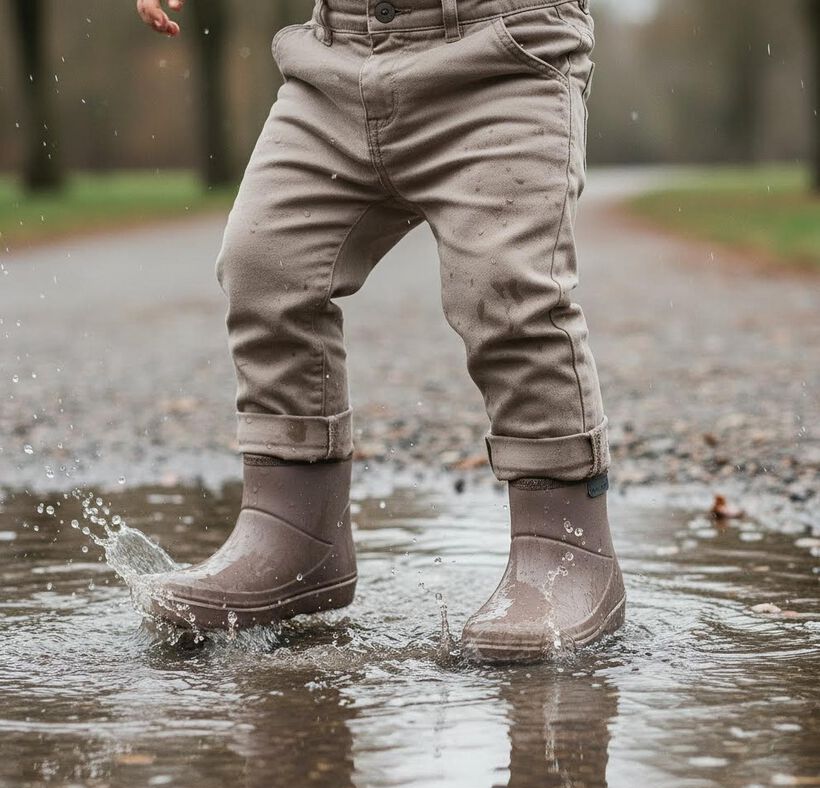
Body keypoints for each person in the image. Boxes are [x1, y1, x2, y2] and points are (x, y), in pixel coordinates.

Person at [134, 0, 625, 662]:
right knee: (265, 261)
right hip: (338, 55)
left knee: (506, 288)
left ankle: (564, 544)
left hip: (501, 53)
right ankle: (295, 531)